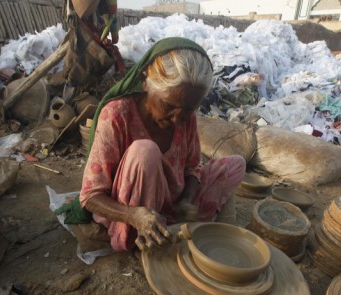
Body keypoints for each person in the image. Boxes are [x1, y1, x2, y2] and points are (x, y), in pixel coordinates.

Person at [61, 37, 245, 252]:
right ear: (145, 81)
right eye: (169, 106)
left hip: (172, 202)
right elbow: (90, 196)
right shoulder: (117, 114)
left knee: (236, 164)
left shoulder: (186, 118)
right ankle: (142, 237)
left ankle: (174, 224)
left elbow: (193, 168)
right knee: (145, 151)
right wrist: (134, 215)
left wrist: (186, 200)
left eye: (188, 110)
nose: (178, 119)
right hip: (133, 208)